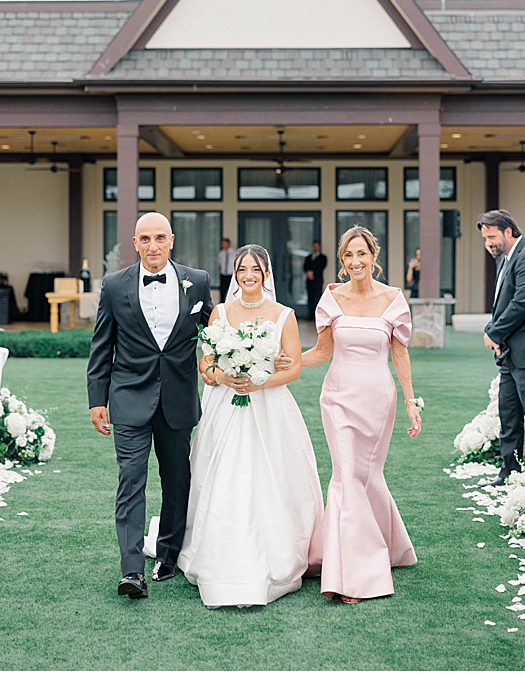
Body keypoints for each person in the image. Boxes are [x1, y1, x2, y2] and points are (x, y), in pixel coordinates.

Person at [176, 244, 324, 608]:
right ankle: (217, 548)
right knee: (224, 474)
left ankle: (277, 550)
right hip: (225, 406)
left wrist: (260, 381)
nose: (248, 275)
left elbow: (293, 369)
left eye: (255, 270)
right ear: (235, 274)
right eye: (242, 269)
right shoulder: (221, 313)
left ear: (267, 274)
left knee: (270, 475)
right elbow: (205, 364)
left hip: (269, 407)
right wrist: (225, 377)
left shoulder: (284, 315)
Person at [87, 212, 214, 600]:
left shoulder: (199, 281)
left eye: (160, 238)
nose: (153, 246)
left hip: (176, 398)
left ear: (171, 240)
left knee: (177, 481)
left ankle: (169, 555)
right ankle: (131, 570)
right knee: (131, 480)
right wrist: (97, 399)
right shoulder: (113, 285)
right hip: (128, 397)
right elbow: (101, 345)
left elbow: (214, 331)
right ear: (135, 242)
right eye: (145, 239)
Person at [294, 225, 421, 603]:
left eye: (361, 254)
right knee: (346, 476)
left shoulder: (393, 299)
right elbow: (321, 352)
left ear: (373, 256)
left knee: (368, 476)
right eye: (348, 255)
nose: (354, 262)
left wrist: (412, 402)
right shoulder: (331, 299)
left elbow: (400, 353)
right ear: (342, 259)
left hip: (378, 400)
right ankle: (354, 576)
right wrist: (283, 362)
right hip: (337, 398)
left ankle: (389, 544)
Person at [477, 209, 525, 487]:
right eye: (485, 238)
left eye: (492, 237)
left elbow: (524, 302)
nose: (488, 243)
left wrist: (493, 331)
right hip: (509, 353)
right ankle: (510, 472)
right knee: (509, 414)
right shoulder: (506, 258)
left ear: (508, 231)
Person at [303, 240, 327, 321]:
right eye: (314, 246)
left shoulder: (323, 258)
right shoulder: (309, 257)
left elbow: (320, 267)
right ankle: (310, 315)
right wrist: (308, 273)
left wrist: (312, 273)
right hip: (309, 281)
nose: (315, 247)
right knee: (310, 298)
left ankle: (317, 316)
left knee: (317, 298)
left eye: (317, 246)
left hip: (317, 281)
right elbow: (305, 267)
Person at [217, 237, 236, 302]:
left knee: (232, 290)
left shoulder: (234, 252)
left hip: (231, 274)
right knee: (223, 290)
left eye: (224, 243)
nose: (222, 245)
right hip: (223, 274)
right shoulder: (221, 253)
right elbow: (220, 262)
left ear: (228, 244)